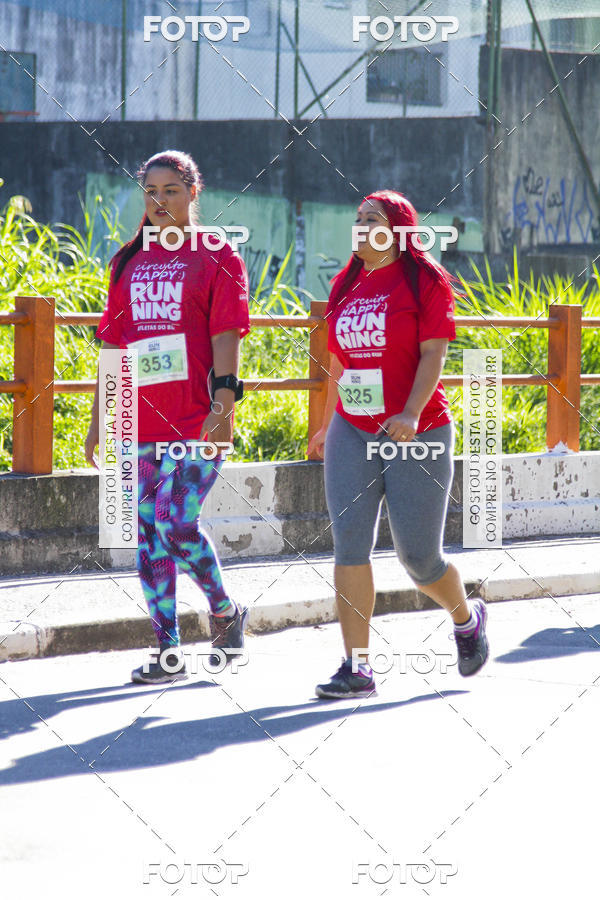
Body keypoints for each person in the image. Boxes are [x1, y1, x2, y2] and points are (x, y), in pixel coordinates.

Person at [307, 190, 489, 699]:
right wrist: (326, 424)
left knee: (419, 560)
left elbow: (434, 354)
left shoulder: (423, 281)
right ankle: (357, 667)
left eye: (375, 220)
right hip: (352, 429)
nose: (363, 227)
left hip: (419, 432)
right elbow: (340, 367)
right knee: (350, 547)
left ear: (399, 230)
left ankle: (465, 618)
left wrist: (410, 411)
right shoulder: (346, 285)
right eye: (359, 219)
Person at [85, 150, 250, 684]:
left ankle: (224, 611)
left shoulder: (217, 255)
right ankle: (167, 649)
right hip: (141, 420)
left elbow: (226, 334)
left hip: (198, 417)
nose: (159, 201)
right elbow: (114, 346)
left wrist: (224, 404)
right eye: (151, 191)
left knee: (174, 520)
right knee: (148, 533)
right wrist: (98, 418)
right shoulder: (128, 261)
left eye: (171, 190)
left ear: (193, 193)